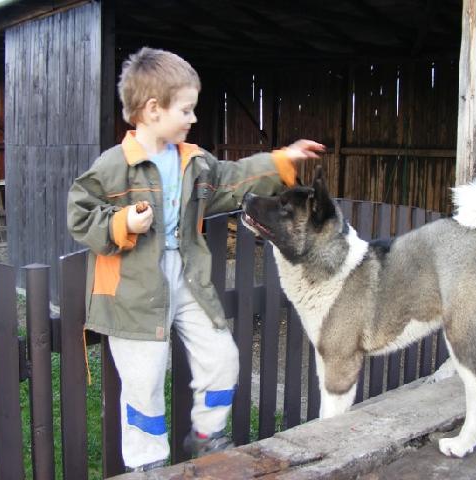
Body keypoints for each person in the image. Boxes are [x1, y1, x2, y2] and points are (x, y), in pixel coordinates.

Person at [67, 47, 323, 472]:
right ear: (153, 110)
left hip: (186, 279)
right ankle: (147, 464)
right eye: (186, 109)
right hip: (131, 289)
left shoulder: (195, 162)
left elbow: (234, 178)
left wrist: (283, 160)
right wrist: (123, 221)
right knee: (143, 383)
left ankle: (205, 434)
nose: (193, 118)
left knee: (222, 359)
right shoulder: (113, 166)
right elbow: (80, 214)